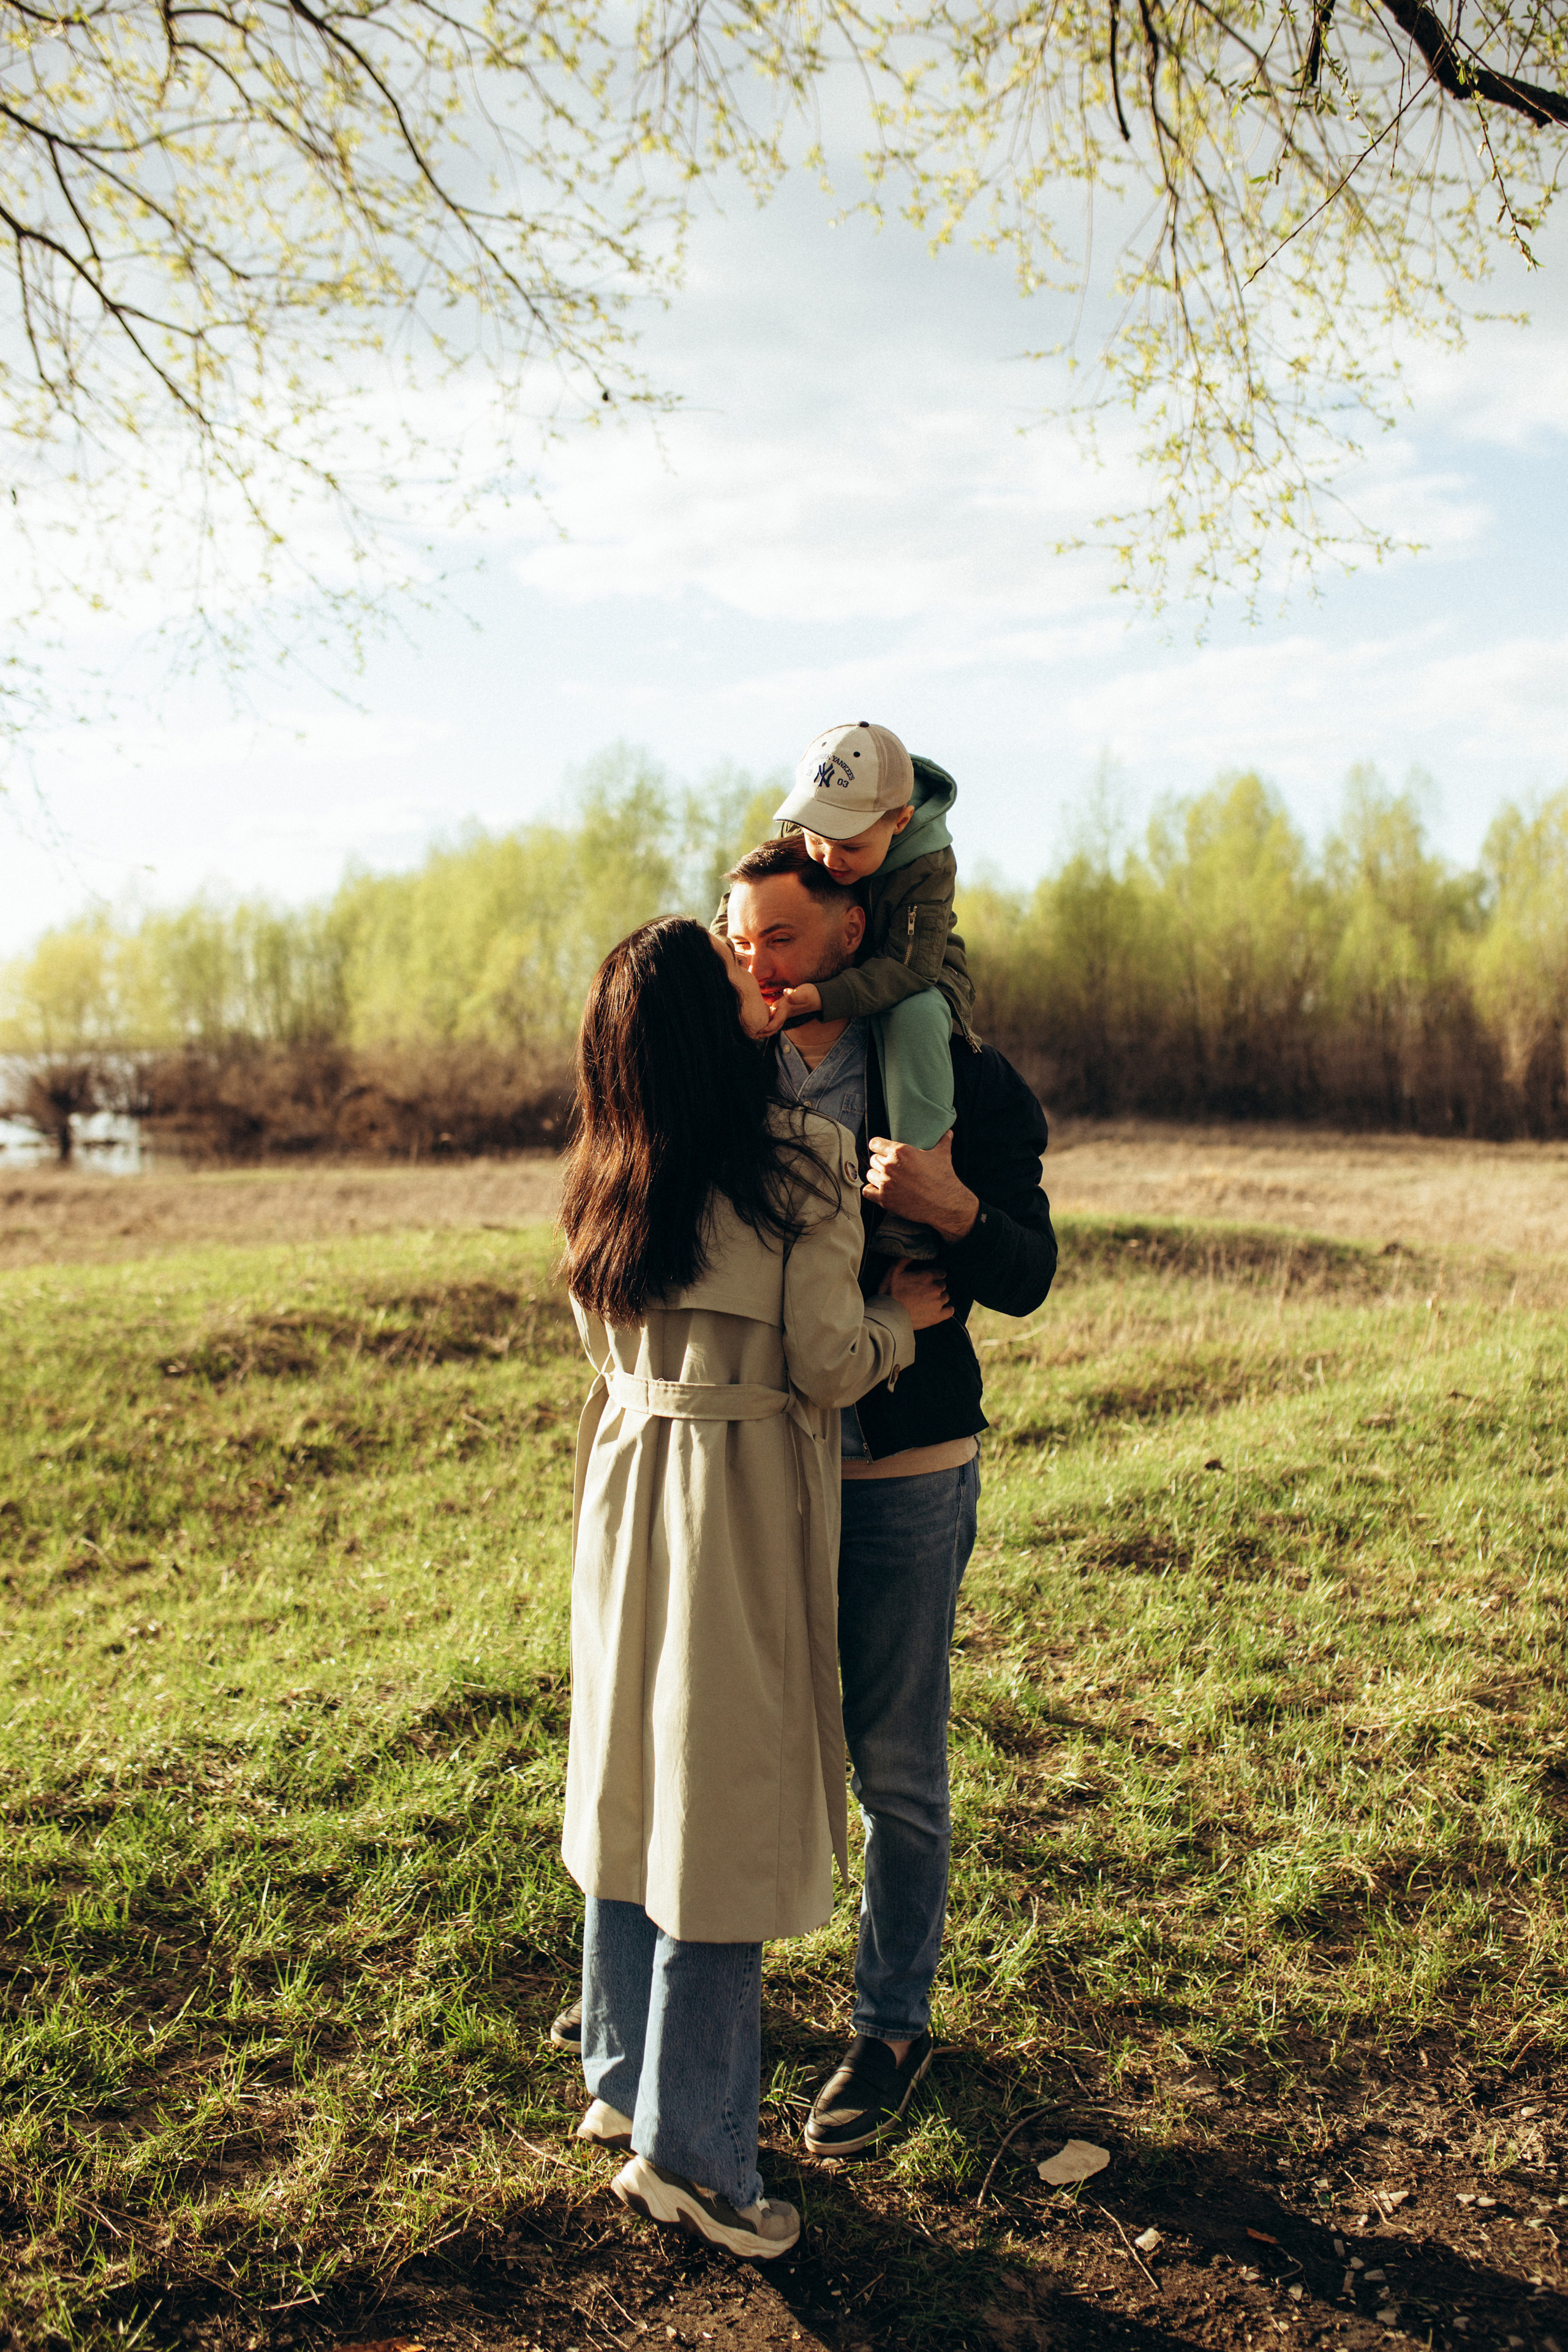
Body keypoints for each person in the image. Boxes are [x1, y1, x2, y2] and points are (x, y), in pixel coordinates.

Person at [556, 915, 954, 2257]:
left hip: (625, 1485)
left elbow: (597, 1336)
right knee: (721, 1804)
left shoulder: (604, 1172)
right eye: (737, 978)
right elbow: (831, 1361)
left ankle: (620, 2084)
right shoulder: (798, 1165)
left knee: (631, 1776)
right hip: (728, 1495)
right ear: (700, 1025)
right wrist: (910, 1320)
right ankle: (700, 2158)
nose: (762, 984)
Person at [722, 836, 1058, 2157]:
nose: (756, 964)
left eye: (781, 940)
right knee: (750, 1740)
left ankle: (889, 2024)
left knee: (897, 1770)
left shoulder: (959, 1078)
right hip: (760, 1462)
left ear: (851, 933)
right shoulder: (721, 1072)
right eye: (739, 940)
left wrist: (954, 1206)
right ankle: (708, 1988)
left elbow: (1026, 1274)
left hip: (906, 1473)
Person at [715, 719, 974, 1260]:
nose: (828, 858)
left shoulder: (929, 861)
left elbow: (910, 968)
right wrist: (722, 966)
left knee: (915, 1018)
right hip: (829, 972)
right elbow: (743, 905)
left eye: (849, 847)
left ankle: (911, 1194)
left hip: (913, 972)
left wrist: (821, 997)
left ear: (899, 821)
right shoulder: (814, 841)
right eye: (815, 838)